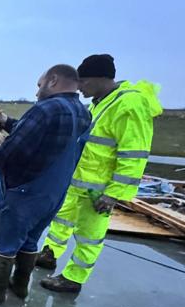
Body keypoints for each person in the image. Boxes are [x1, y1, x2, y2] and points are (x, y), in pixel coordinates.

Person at [38, 54, 163, 292]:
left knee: (89, 234)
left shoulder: (129, 105)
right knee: (61, 219)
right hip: (79, 181)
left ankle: (74, 278)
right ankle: (49, 253)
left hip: (99, 189)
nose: (79, 89)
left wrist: (113, 193)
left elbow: (134, 154)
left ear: (98, 79)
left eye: (82, 82)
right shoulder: (101, 101)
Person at [0, 65, 91, 304]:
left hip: (24, 192)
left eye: (39, 85)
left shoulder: (45, 109)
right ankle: (20, 285)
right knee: (30, 238)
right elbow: (31, 134)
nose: (36, 93)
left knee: (6, 241)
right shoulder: (82, 112)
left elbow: (7, 155)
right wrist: (4, 121)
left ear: (53, 80)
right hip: (52, 194)